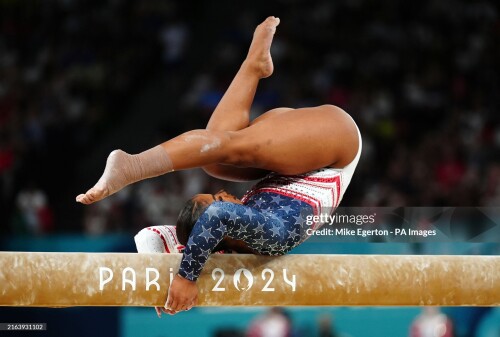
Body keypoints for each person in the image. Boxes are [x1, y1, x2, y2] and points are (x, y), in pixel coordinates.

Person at [77, 16, 362, 316]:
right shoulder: (273, 235)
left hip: (293, 158)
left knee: (213, 161)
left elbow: (150, 236)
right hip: (334, 147)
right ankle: (132, 166)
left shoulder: (238, 234)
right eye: (215, 198)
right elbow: (218, 215)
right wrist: (186, 279)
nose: (224, 193)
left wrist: (161, 278)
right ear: (219, 241)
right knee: (231, 149)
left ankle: (254, 66)